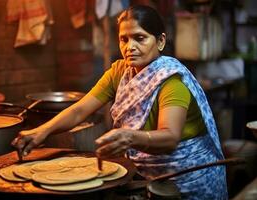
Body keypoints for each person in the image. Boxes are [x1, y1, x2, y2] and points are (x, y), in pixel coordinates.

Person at [12, 5, 228, 199]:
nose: (129, 47)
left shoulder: (171, 81)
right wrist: (41, 132)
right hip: (146, 176)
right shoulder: (119, 72)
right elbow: (79, 110)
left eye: (140, 38)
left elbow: (170, 137)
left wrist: (128, 137)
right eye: (124, 39)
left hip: (188, 179)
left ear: (160, 41)